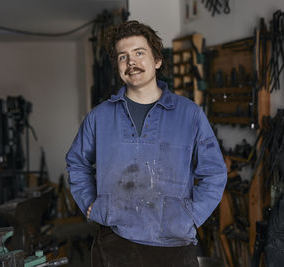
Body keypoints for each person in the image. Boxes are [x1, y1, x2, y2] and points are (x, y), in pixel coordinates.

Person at [66, 20, 227, 267]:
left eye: (139, 53)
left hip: (173, 245)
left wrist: (192, 216)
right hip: (114, 243)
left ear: (157, 60)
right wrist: (91, 204)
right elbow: (77, 162)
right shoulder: (99, 117)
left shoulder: (189, 114)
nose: (131, 62)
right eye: (123, 57)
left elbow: (214, 172)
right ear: (118, 66)